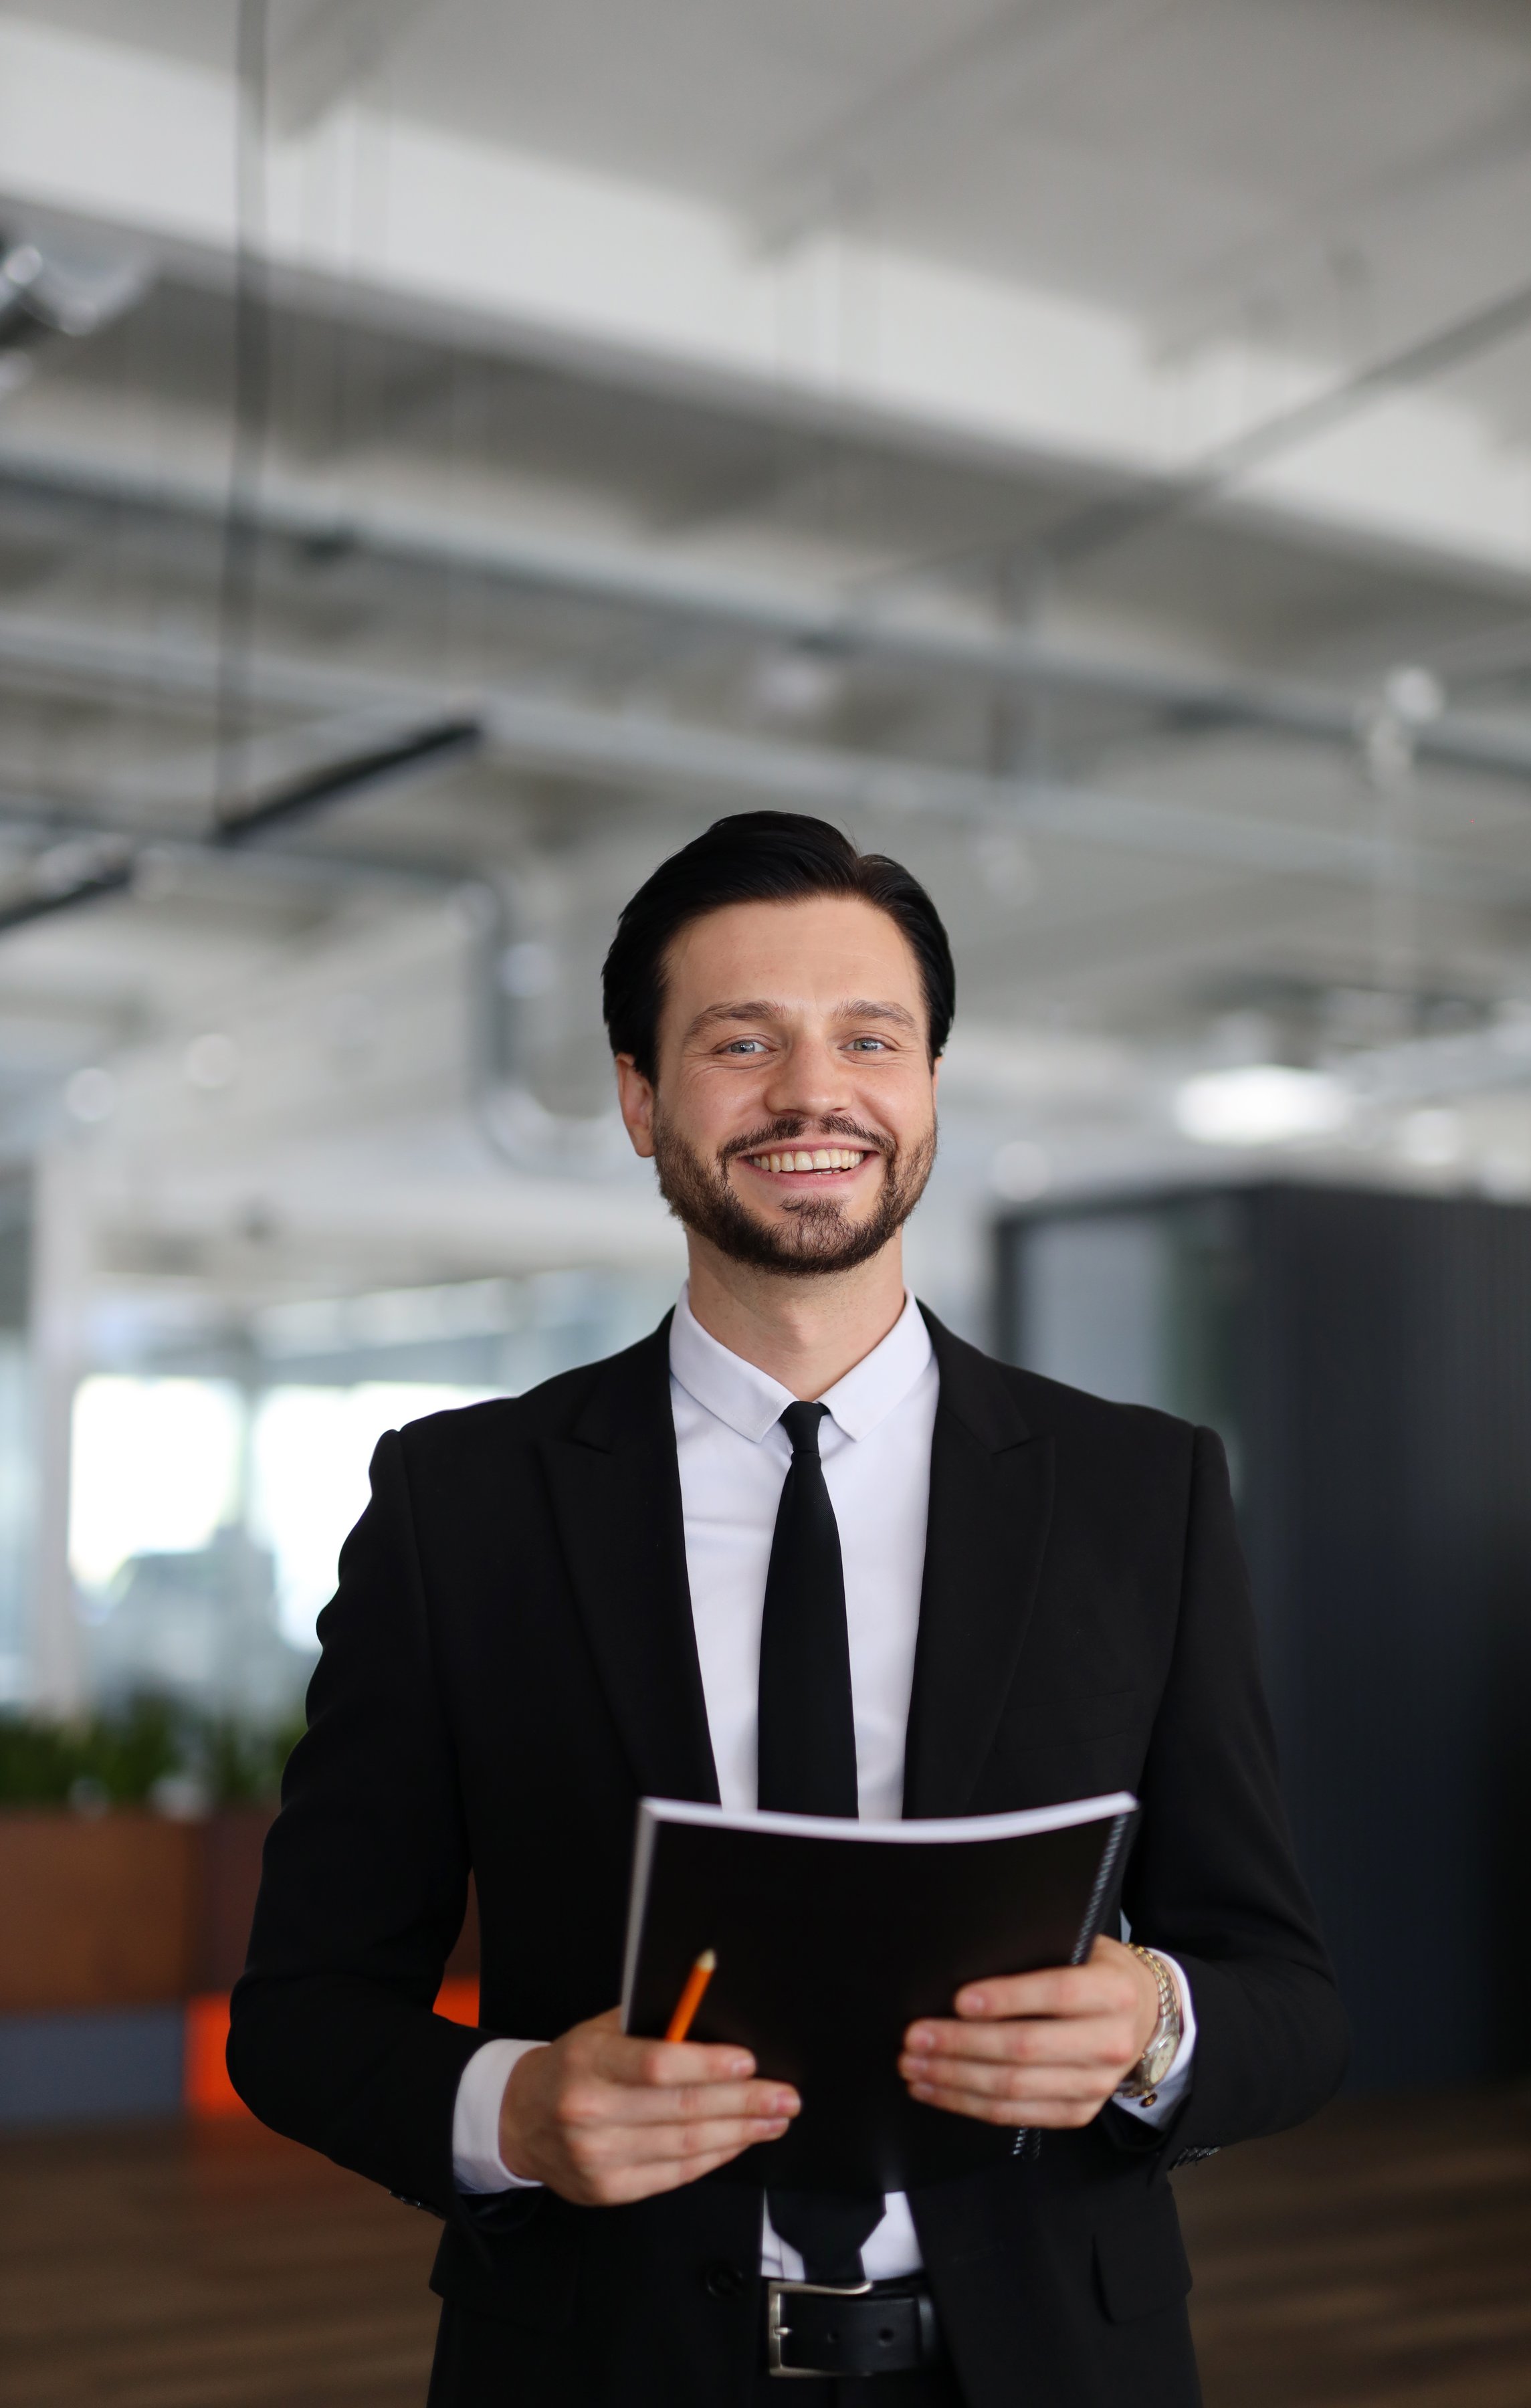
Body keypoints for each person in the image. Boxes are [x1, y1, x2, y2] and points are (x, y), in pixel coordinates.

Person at [229, 811, 1347, 2407]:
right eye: (740, 1041)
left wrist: (1152, 2024)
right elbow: (299, 2012)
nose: (813, 1093)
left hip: (1050, 2364)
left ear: (929, 1086)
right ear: (640, 1097)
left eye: (869, 1038)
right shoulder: (459, 1504)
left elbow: (1289, 2001)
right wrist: (515, 2107)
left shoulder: (1139, 1492)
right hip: (602, 2364)